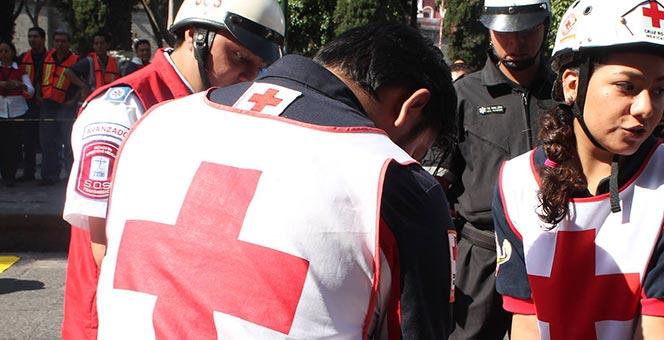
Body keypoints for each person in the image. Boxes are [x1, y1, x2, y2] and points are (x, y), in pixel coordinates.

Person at [94, 22, 456, 339]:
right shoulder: (393, 180)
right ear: (412, 107)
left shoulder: (156, 124)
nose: (415, 161)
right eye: (420, 151)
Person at [60, 0, 286, 339]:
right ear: (196, 36)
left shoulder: (223, 109)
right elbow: (103, 247)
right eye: (240, 58)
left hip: (181, 311)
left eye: (259, 66)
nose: (249, 77)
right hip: (119, 317)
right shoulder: (122, 109)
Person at [493, 0, 664, 338]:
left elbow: (659, 327)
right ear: (571, 84)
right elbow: (525, 321)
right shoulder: (515, 183)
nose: (646, 108)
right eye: (627, 85)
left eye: (659, 89)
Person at [429, 0, 555, 338]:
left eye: (527, 30)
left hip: (553, 253)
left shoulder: (566, 95)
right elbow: (434, 185)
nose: (516, 42)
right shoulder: (463, 96)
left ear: (545, 26)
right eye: (505, 33)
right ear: (489, 30)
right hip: (480, 257)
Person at [39, 29, 79, 186]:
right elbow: (38, 78)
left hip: (66, 106)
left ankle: (71, 175)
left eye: (63, 41)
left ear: (69, 43)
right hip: (48, 104)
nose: (59, 44)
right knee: (47, 142)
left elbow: (81, 83)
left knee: (69, 142)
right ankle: (49, 175)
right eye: (57, 41)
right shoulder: (46, 58)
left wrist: (73, 100)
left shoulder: (76, 60)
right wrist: (38, 95)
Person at [0, 41, 34, 187]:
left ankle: (11, 175)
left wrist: (20, 85)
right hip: (1, 109)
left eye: (6, 51)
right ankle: (4, 174)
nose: (4, 54)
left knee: (14, 145)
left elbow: (30, 90)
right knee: (2, 145)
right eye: (1, 51)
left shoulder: (20, 70)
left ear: (12, 52)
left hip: (18, 110)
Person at [17, 27, 48, 182]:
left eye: (35, 36)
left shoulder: (50, 57)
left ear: (43, 39)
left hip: (47, 102)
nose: (32, 39)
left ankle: (47, 173)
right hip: (27, 103)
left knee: (46, 140)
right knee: (28, 140)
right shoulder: (22, 58)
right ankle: (28, 172)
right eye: (30, 36)